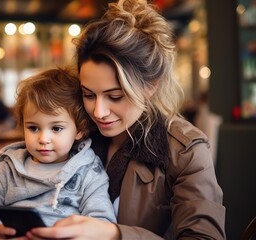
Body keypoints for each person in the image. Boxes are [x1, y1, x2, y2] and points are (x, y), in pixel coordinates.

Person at [25, 0, 226, 239]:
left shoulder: (185, 151)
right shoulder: (73, 131)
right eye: (88, 94)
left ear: (151, 86)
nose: (98, 112)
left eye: (115, 96)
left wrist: (115, 234)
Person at [0, 67, 116, 240]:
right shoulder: (8, 167)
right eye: (33, 128)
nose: (43, 138)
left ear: (79, 130)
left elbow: (102, 222)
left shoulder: (89, 171)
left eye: (56, 128)